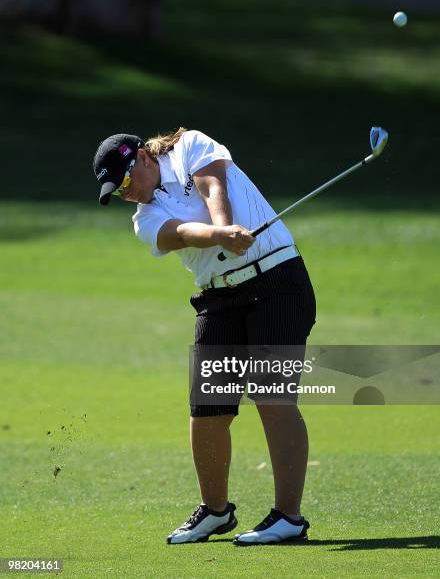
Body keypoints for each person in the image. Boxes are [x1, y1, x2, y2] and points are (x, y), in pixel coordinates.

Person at [93, 128, 316, 545]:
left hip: (278, 281)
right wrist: (221, 237)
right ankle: (215, 511)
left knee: (272, 395)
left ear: (142, 157)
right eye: (116, 191)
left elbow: (212, 182)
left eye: (124, 181)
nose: (124, 194)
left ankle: (289, 517)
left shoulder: (190, 146)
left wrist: (225, 226)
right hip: (219, 297)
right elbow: (179, 233)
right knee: (207, 409)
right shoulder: (144, 221)